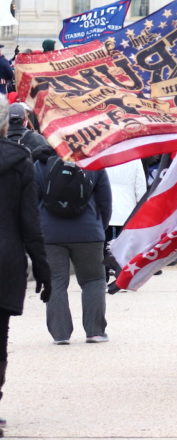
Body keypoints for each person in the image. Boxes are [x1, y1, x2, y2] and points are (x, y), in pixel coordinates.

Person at [0, 95, 52, 437]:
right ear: (6, 124)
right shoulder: (20, 159)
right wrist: (43, 267)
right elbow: (30, 222)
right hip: (5, 259)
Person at [34, 145, 112, 344]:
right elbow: (105, 202)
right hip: (88, 232)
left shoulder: (40, 163)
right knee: (93, 280)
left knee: (55, 282)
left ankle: (60, 334)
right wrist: (99, 228)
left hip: (50, 234)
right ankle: (95, 331)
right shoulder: (93, 162)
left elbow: (32, 202)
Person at [104, 159, 147, 278]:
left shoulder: (105, 154)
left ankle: (103, 277)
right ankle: (121, 277)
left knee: (103, 244)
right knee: (124, 247)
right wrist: (141, 206)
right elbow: (140, 186)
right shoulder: (135, 159)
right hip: (127, 207)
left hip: (106, 205)